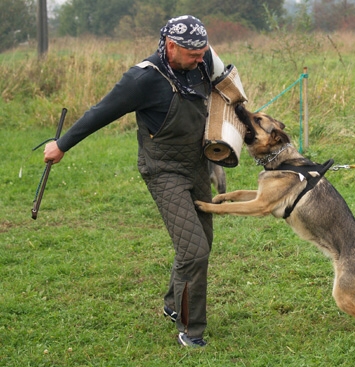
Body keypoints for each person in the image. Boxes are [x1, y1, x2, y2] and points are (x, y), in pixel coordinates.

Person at [43, 15, 243, 347]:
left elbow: (229, 89)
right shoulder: (142, 80)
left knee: (200, 243)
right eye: (193, 54)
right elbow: (101, 111)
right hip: (163, 170)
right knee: (194, 251)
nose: (200, 60)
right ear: (171, 46)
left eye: (203, 53)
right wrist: (61, 145)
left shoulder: (203, 60)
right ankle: (191, 330)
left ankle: (170, 304)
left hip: (197, 166)